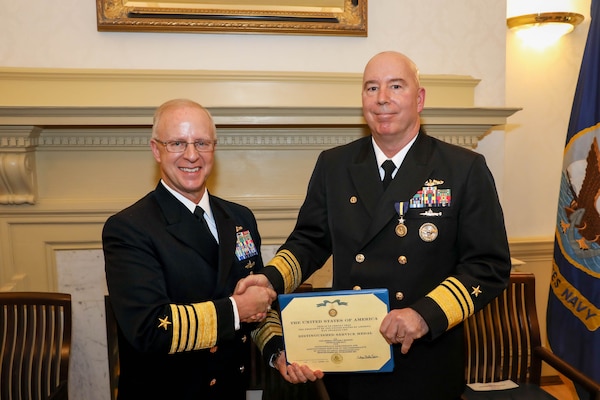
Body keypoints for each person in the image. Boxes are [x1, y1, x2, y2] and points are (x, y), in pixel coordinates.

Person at [244, 51, 512, 399]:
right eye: (371, 88)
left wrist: (424, 315)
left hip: (425, 359)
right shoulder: (334, 165)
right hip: (350, 357)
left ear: (419, 98)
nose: (382, 98)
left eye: (395, 86)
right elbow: (308, 242)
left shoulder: (463, 168)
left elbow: (488, 266)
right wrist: (269, 280)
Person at [103, 99, 276, 400]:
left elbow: (257, 305)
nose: (192, 155)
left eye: (201, 143)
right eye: (177, 143)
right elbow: (149, 329)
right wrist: (236, 309)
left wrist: (278, 352)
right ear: (156, 150)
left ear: (214, 148)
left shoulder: (239, 218)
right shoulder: (129, 228)